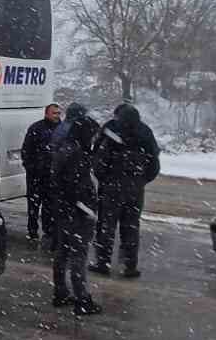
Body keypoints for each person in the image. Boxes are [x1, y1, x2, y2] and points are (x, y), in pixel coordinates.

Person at [90, 102, 161, 279]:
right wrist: (141, 181)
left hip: (111, 187)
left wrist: (105, 179)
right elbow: (154, 163)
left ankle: (103, 262)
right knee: (131, 227)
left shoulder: (110, 129)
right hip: (135, 188)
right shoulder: (145, 132)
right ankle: (130, 265)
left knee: (106, 226)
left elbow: (98, 158)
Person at [45, 103, 102, 314]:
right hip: (77, 213)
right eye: (92, 136)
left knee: (63, 251)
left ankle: (61, 292)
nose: (94, 140)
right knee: (78, 255)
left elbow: (60, 182)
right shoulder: (77, 155)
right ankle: (82, 300)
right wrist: (88, 210)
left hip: (63, 210)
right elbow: (76, 188)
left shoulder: (66, 148)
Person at [20, 103, 62, 241]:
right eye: (54, 113)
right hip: (36, 175)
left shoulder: (61, 130)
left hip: (52, 175)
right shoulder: (36, 128)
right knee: (33, 205)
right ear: (46, 114)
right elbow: (26, 150)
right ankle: (32, 231)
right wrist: (31, 167)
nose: (57, 116)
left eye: (58, 113)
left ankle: (48, 229)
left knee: (49, 205)